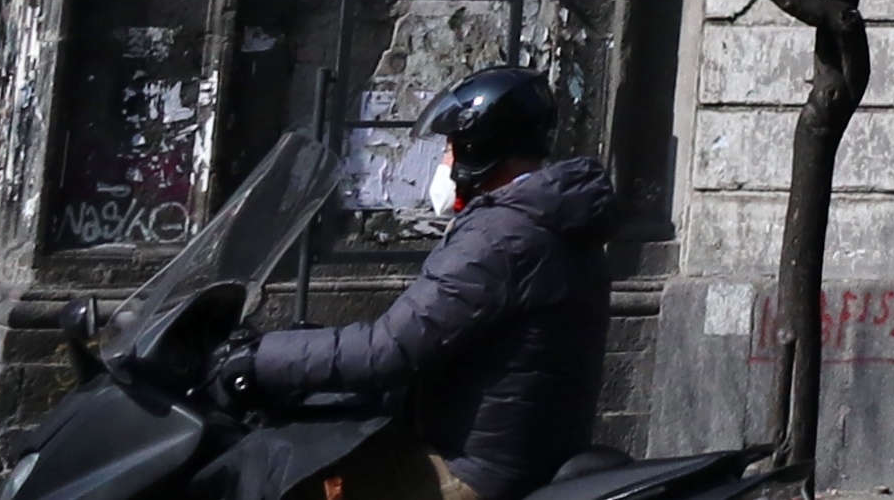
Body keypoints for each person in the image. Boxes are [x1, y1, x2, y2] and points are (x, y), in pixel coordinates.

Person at [216, 65, 618, 500]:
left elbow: (387, 351)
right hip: (511, 454)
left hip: (473, 471)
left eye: (450, 147)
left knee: (268, 470)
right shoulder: (545, 222)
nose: (445, 161)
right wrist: (302, 346)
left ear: (480, 147)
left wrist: (256, 360)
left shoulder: (502, 237)